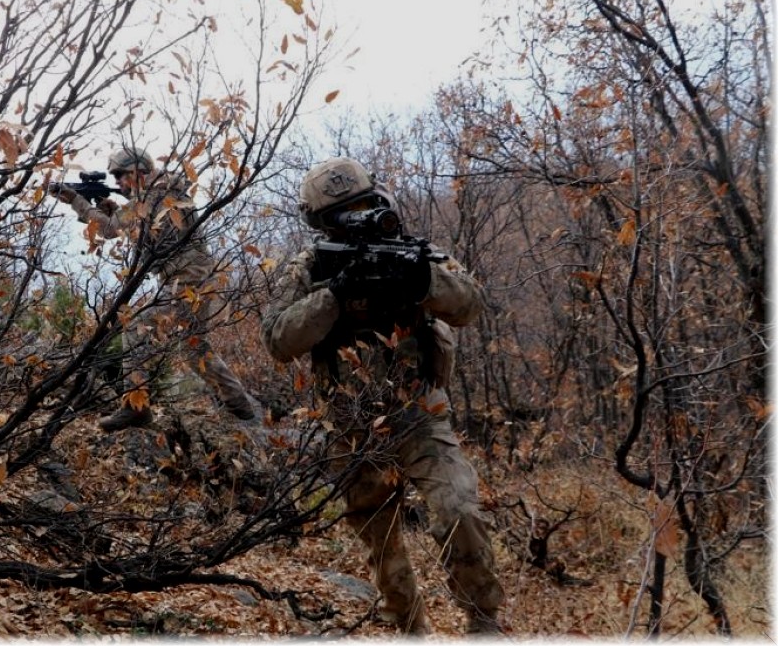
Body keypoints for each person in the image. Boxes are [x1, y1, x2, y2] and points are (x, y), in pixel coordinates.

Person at [260, 157, 503, 635]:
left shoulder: (414, 252)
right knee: (382, 543)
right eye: (342, 214)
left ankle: (483, 622)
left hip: (418, 413)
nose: (359, 218)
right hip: (350, 427)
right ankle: (412, 632)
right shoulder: (310, 267)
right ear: (321, 223)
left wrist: (422, 281)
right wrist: (333, 294)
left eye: (365, 205)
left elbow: (471, 304)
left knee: (458, 508)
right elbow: (278, 341)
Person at [52, 146, 263, 432]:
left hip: (187, 278)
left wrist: (77, 201)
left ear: (139, 171)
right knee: (194, 348)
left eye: (122, 176)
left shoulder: (157, 193)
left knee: (137, 328)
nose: (119, 183)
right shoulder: (160, 192)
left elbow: (110, 230)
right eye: (115, 178)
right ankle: (241, 407)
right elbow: (136, 224)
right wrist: (107, 206)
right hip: (193, 277)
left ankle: (136, 409)